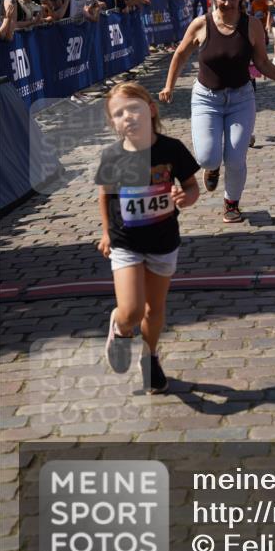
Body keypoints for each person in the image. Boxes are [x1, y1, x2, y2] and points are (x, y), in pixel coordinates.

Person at [158, 0, 275, 224]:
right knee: (206, 157)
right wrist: (169, 85)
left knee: (235, 158)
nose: (227, 3)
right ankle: (211, 168)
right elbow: (180, 54)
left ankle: (231, 203)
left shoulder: (252, 25)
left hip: (241, 98)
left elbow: (262, 63)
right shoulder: (201, 24)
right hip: (206, 99)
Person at [95, 82, 200, 395]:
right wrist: (105, 232)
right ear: (112, 123)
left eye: (134, 108)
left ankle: (149, 358)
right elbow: (105, 195)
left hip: (164, 241)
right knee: (132, 311)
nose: (128, 116)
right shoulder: (112, 156)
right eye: (119, 113)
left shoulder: (172, 149)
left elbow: (192, 186)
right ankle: (120, 327)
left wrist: (187, 197)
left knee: (154, 309)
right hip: (125, 241)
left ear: (151, 109)